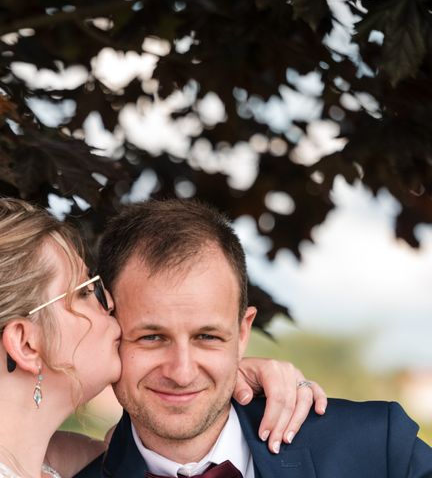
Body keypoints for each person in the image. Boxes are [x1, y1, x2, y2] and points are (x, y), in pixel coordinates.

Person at [0, 198, 325, 478]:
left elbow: (150, 446)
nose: (109, 311)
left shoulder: (40, 459)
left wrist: (228, 377)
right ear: (27, 344)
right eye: (81, 294)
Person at [75, 199, 432, 478]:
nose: (181, 372)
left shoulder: (375, 448)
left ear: (243, 332)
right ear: (111, 328)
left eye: (207, 337)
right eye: (152, 337)